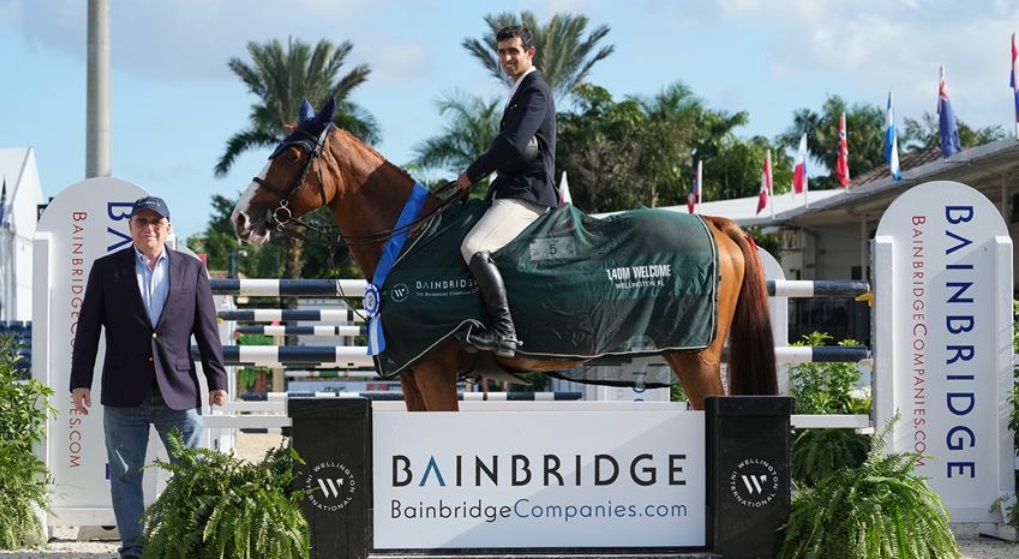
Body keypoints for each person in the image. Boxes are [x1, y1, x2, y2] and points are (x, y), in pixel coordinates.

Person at [70, 195, 229, 559]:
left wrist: (216, 380)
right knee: (126, 475)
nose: (149, 227)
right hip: (125, 392)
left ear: (168, 227)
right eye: (141, 221)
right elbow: (88, 330)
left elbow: (207, 331)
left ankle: (192, 546)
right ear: (130, 228)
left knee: (192, 474)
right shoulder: (107, 269)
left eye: (157, 221)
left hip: (179, 389)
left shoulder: (192, 270)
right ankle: (134, 549)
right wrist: (81, 381)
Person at [457, 24, 558, 358]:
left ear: (530, 52)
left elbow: (514, 144)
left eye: (513, 50)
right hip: (510, 188)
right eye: (502, 52)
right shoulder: (519, 90)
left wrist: (472, 173)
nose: (507, 58)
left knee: (474, 245)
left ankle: (505, 333)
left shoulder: (535, 90)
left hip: (527, 193)